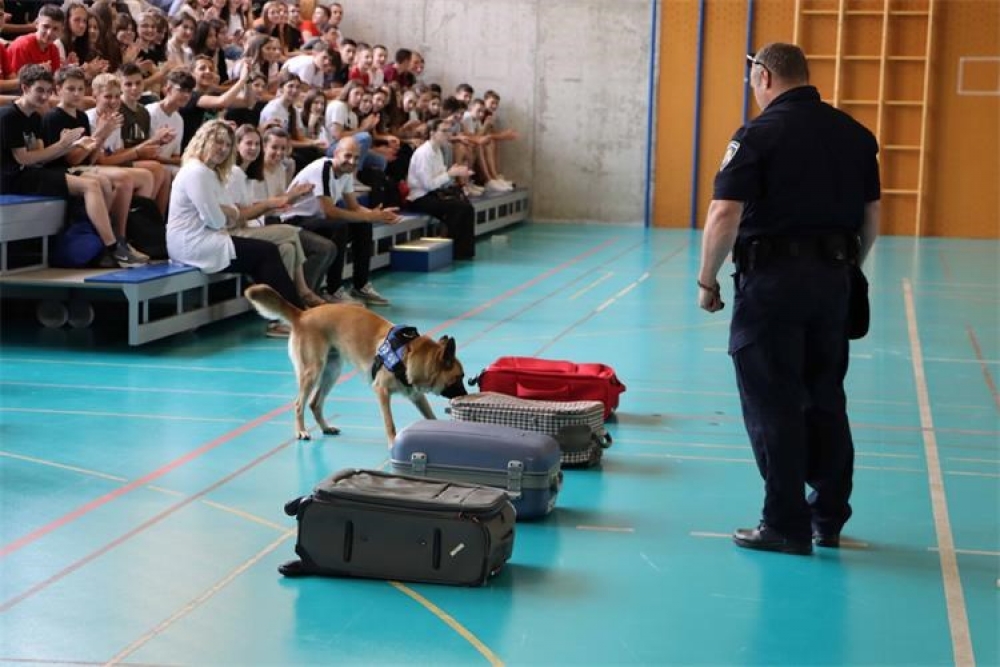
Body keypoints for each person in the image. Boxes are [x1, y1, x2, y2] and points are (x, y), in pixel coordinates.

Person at [696, 43, 880, 556]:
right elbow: (871, 218)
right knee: (826, 398)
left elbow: (724, 213)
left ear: (765, 77)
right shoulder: (855, 135)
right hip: (834, 282)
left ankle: (784, 523)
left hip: (772, 287)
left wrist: (707, 280)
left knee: (774, 402)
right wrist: (844, 269)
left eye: (752, 79)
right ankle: (828, 518)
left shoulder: (757, 135)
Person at [166, 119, 304, 337]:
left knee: (269, 251)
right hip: (192, 242)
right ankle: (295, 318)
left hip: (208, 237)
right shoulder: (196, 172)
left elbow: (230, 214)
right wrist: (226, 212)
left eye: (228, 145)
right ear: (203, 141)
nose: (223, 149)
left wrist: (226, 211)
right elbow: (217, 220)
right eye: (218, 142)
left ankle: (289, 315)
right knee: (266, 252)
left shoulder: (210, 172)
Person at [0, 64, 141, 268]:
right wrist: (63, 145)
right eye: (39, 90)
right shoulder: (9, 116)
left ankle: (105, 243)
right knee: (91, 185)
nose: (44, 96)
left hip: (32, 173)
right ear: (24, 88)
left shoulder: (35, 117)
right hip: (12, 178)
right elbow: (23, 159)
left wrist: (72, 145)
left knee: (100, 183)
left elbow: (41, 157)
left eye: (48, 91)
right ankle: (112, 247)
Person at [280, 136, 401, 306]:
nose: (352, 161)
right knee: (340, 226)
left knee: (363, 225)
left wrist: (378, 215)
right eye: (348, 155)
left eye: (356, 158)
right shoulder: (323, 168)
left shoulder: (346, 173)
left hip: (316, 220)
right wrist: (368, 216)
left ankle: (360, 285)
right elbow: (330, 212)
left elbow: (354, 207)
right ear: (336, 153)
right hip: (294, 220)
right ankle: (333, 290)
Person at [406, 118, 476, 260]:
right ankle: (456, 250)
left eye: (449, 131)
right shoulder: (424, 153)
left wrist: (457, 173)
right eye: (444, 131)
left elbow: (441, 178)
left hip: (434, 193)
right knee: (458, 208)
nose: (447, 134)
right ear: (432, 133)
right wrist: (450, 174)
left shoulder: (437, 151)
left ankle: (464, 250)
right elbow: (428, 184)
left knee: (467, 206)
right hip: (420, 197)